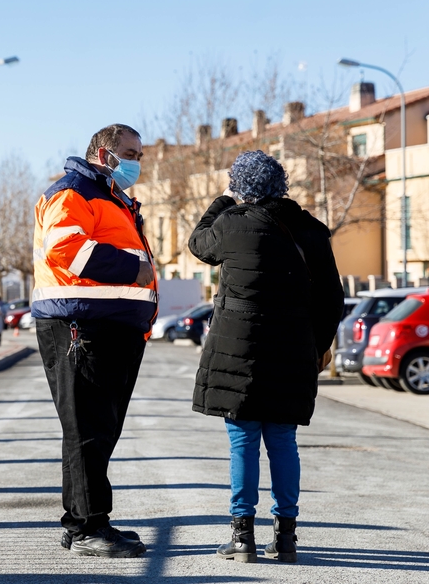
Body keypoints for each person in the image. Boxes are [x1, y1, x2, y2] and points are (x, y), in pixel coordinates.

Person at [188, 150, 342, 564]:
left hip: (239, 350)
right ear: (282, 184)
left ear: (241, 188)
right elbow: (332, 298)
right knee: (283, 441)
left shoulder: (231, 224)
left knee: (242, 443)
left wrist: (224, 199)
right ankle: (286, 536)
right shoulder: (310, 229)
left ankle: (242, 538)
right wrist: (318, 347)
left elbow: (197, 243)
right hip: (292, 349)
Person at [33, 124, 157, 558]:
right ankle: (88, 529)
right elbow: (65, 250)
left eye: (140, 154)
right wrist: (131, 269)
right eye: (129, 153)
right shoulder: (74, 192)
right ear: (103, 154)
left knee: (97, 431)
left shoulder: (111, 197)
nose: (136, 162)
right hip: (80, 327)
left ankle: (84, 521)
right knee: (88, 430)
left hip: (109, 328)